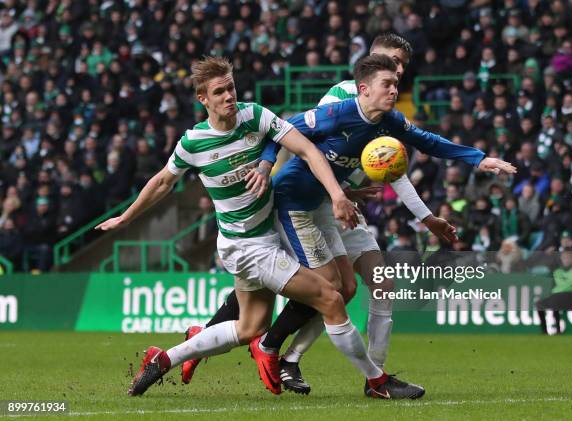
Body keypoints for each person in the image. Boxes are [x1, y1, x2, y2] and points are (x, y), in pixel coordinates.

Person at [182, 52, 516, 395]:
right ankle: (271, 346)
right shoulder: (336, 108)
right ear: (364, 87)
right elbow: (282, 130)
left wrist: (479, 159)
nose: (394, 87)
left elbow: (427, 142)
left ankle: (254, 345)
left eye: (397, 82)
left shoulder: (390, 122)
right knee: (321, 291)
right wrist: (268, 164)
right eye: (389, 81)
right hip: (293, 204)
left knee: (344, 289)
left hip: (327, 204)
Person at [96, 56, 422, 400]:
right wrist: (126, 218)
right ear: (203, 99)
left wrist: (337, 194)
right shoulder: (194, 143)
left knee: (249, 327)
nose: (228, 97)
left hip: (263, 237)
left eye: (231, 88)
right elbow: (162, 181)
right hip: (248, 247)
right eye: (219, 91)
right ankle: (377, 381)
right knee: (331, 297)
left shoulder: (254, 116)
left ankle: (164, 359)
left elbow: (308, 149)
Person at [535, 249, 572, 335]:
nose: (566, 260)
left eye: (568, 258)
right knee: (539, 304)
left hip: (570, 295)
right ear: (561, 259)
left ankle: (558, 331)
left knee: (555, 301)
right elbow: (553, 286)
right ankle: (544, 331)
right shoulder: (557, 271)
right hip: (556, 296)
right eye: (564, 258)